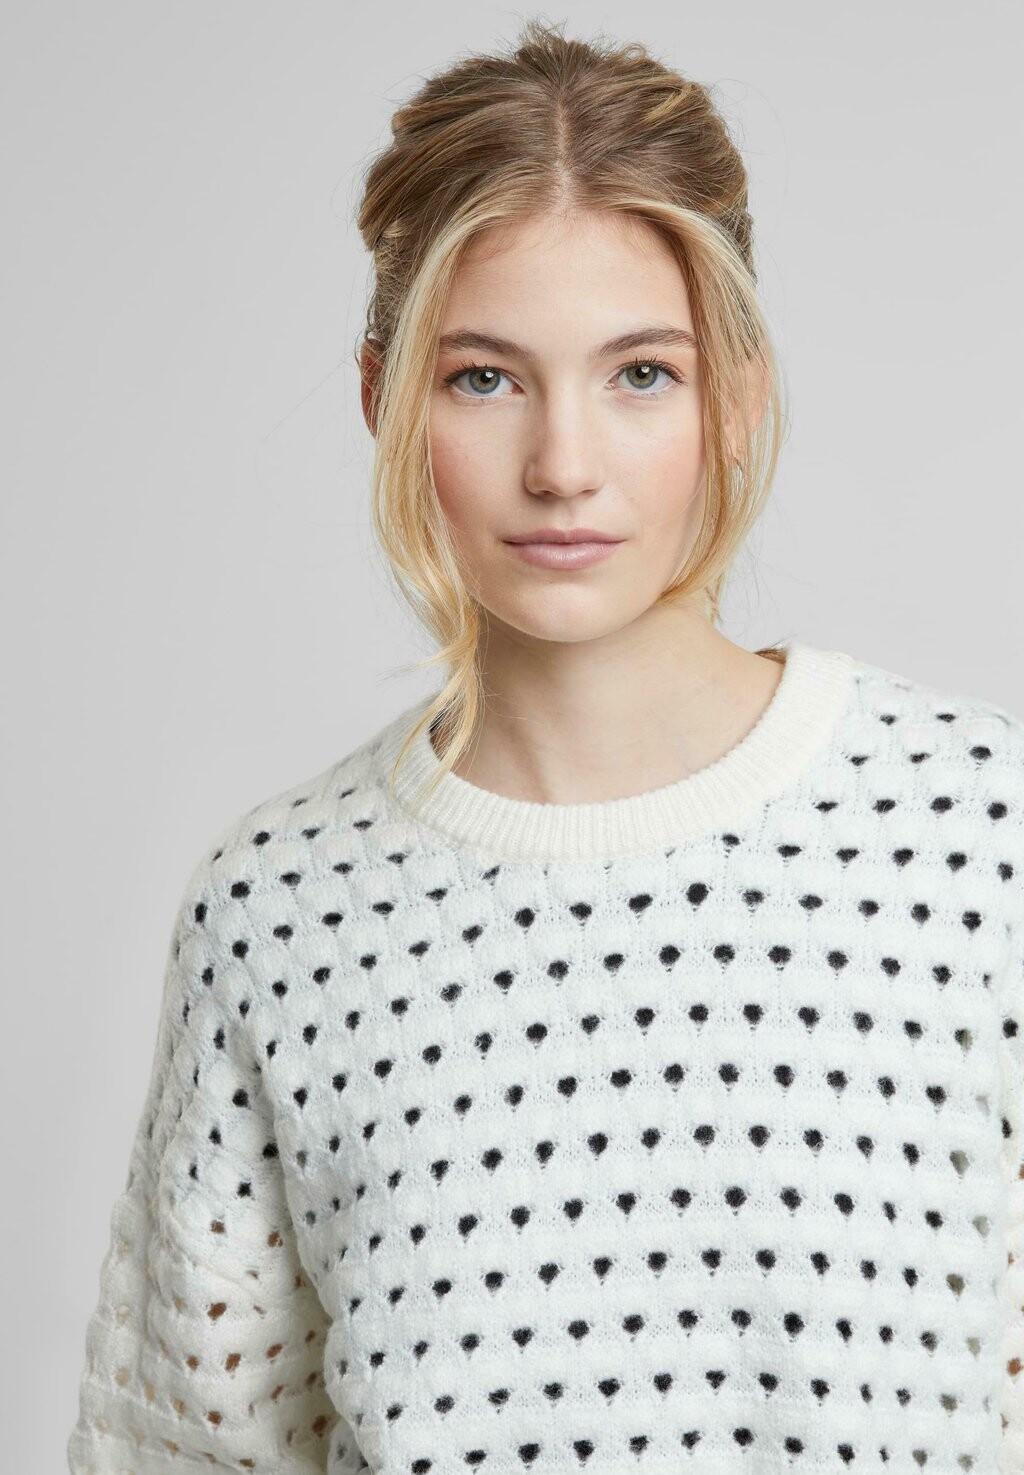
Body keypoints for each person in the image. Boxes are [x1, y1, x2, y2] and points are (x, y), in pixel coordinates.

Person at [66, 19, 1024, 1475]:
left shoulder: (973, 833)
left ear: (737, 394)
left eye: (640, 374)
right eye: (485, 378)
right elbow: (177, 1454)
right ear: (385, 396)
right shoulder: (276, 917)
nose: (563, 465)